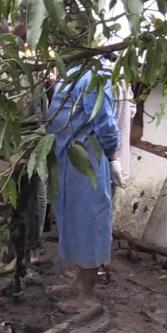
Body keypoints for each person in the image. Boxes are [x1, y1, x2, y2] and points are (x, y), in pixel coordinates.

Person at [47, 64, 122, 312]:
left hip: (86, 158)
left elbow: (104, 121)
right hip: (67, 159)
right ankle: (79, 280)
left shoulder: (95, 75)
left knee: (88, 222)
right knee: (73, 220)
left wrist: (112, 154)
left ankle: (88, 295)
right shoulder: (72, 72)